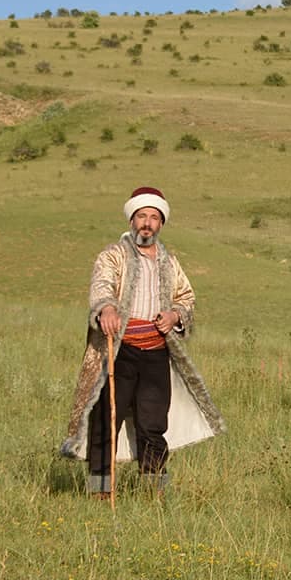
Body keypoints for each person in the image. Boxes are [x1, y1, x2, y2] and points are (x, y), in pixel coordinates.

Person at [61, 186, 224, 498]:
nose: (147, 223)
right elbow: (102, 285)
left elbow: (186, 298)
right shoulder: (113, 255)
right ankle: (100, 491)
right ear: (131, 220)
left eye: (153, 217)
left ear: (161, 223)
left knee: (153, 425)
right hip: (117, 351)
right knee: (106, 421)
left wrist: (175, 315)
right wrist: (106, 308)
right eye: (141, 216)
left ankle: (153, 492)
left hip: (155, 353)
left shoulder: (170, 262)